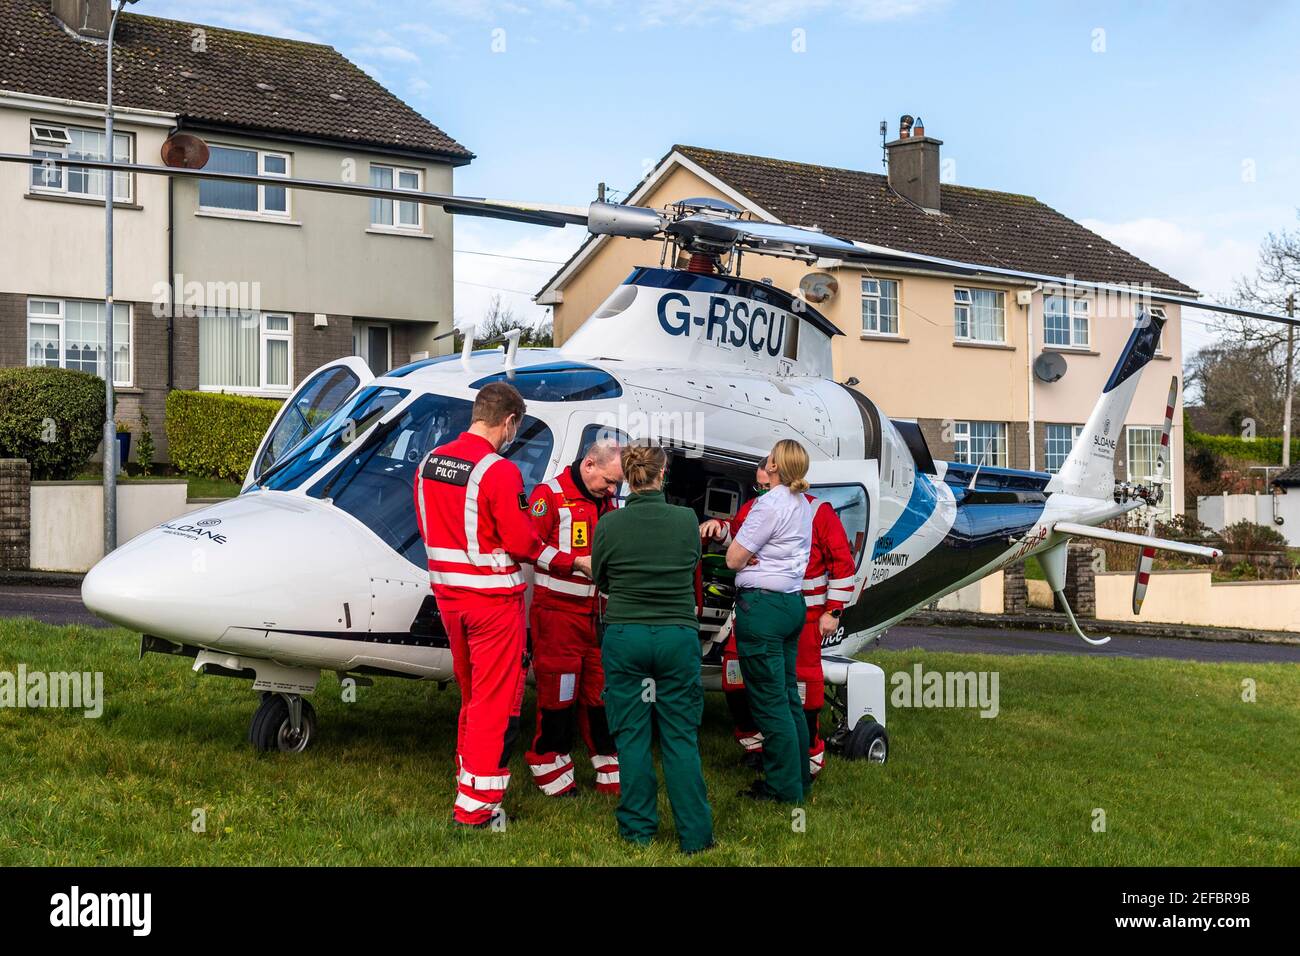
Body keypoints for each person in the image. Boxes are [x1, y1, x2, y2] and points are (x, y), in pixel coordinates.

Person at [414, 381, 592, 828]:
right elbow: (521, 541)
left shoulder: (428, 463)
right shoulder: (498, 471)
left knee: (473, 697)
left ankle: (467, 776)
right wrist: (573, 562)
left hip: (449, 599)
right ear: (509, 422)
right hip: (493, 603)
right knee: (495, 703)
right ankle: (475, 807)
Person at [592, 443, 713, 854]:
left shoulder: (609, 524)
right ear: (663, 475)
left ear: (628, 478)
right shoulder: (685, 520)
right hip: (676, 635)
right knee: (681, 738)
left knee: (632, 737)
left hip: (626, 634)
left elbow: (602, 579)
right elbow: (693, 562)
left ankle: (638, 830)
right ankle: (695, 836)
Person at [702, 464, 856, 781]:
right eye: (757, 488)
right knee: (734, 674)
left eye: (765, 486)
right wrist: (720, 528)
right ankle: (756, 746)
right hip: (755, 607)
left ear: (781, 479)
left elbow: (843, 563)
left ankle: (808, 757)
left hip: (802, 614)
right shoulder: (759, 506)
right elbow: (740, 530)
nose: (760, 493)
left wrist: (833, 610)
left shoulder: (818, 512)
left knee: (799, 686)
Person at [524, 439, 624, 797]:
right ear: (589, 465)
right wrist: (575, 563)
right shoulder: (549, 495)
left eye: (617, 484)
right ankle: (548, 759)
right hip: (558, 615)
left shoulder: (608, 503)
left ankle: (607, 760)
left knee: (600, 693)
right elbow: (528, 546)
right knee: (559, 693)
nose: (612, 490)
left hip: (597, 617)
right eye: (609, 481)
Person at [725, 438, 813, 803]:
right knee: (789, 698)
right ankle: (799, 779)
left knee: (769, 702)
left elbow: (732, 559)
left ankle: (782, 788)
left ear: (774, 466)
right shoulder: (803, 505)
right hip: (792, 603)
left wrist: (747, 556)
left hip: (762, 608)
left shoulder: (767, 505)